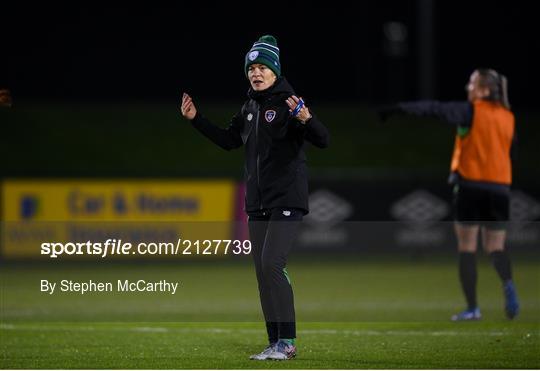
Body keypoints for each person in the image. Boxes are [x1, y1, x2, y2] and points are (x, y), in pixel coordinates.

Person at [179, 35, 329, 359]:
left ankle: (287, 343)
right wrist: (196, 121)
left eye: (262, 67)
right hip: (258, 202)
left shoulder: (290, 104)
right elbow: (229, 140)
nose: (256, 73)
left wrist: (308, 120)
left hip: (286, 198)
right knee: (262, 274)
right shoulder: (249, 106)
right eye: (252, 68)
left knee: (272, 263)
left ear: (275, 71)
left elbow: (323, 139)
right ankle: (274, 343)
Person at [379, 68, 519, 321]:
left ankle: (473, 308)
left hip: (471, 187)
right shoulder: (508, 116)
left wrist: (400, 108)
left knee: (467, 248)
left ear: (485, 90)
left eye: (473, 83)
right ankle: (508, 284)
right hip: (500, 189)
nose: (469, 87)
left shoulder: (471, 111)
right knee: (496, 247)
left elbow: (435, 108)